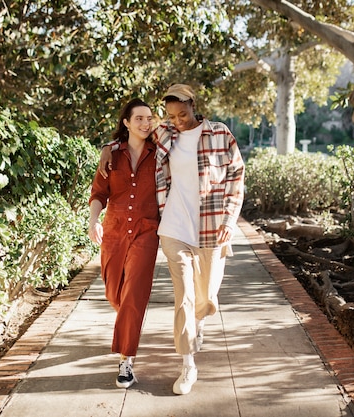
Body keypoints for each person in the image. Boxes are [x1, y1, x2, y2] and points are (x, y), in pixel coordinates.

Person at [98, 84, 245, 395]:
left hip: (211, 228)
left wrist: (230, 221)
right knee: (185, 298)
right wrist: (108, 147)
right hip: (173, 227)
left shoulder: (220, 134)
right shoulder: (165, 132)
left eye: (182, 114)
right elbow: (131, 136)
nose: (177, 121)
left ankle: (200, 323)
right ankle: (188, 364)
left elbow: (236, 177)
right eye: (171, 116)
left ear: (193, 105)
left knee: (205, 299)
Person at [88, 98, 159, 389]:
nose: (145, 123)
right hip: (114, 232)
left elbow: (179, 126)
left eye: (149, 118)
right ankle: (129, 325)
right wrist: (93, 220)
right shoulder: (111, 156)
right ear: (126, 123)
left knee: (133, 296)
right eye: (139, 118)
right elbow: (98, 192)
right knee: (114, 294)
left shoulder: (160, 153)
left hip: (146, 232)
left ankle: (126, 360)